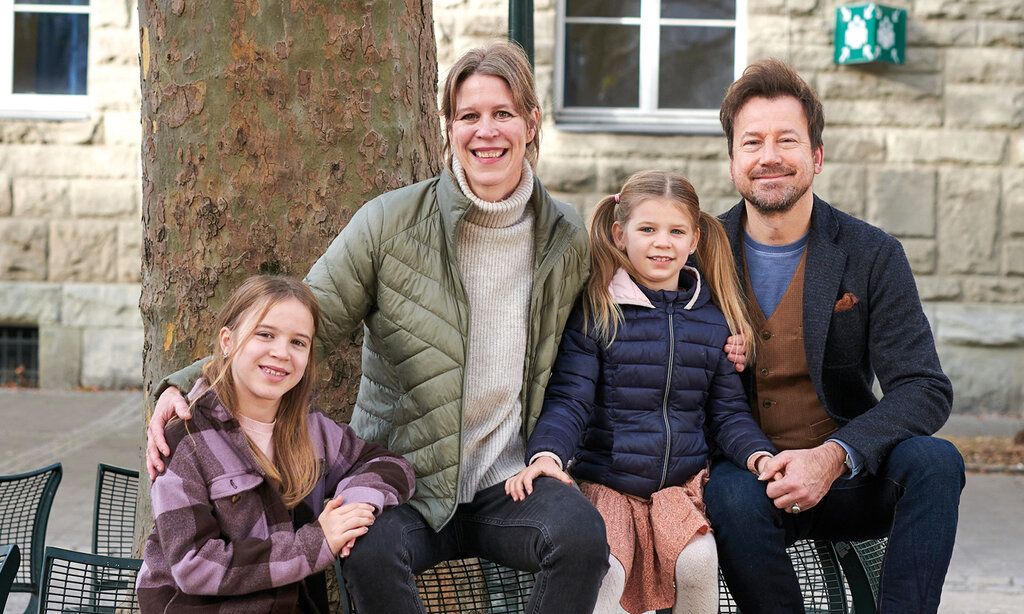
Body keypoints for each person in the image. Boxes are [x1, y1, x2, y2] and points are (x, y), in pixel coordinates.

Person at [144, 42, 612, 613]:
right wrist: (182, 382)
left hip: (509, 482)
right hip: (404, 480)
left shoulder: (565, 236)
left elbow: (589, 350)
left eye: (503, 114)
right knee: (363, 549)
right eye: (469, 116)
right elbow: (306, 314)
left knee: (583, 537)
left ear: (531, 123)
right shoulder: (389, 223)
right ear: (448, 128)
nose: (485, 132)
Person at [702, 58, 965, 614]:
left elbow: (924, 387)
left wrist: (835, 456)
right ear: (732, 162)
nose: (769, 156)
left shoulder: (872, 254)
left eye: (787, 140)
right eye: (752, 142)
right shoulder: (698, 254)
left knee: (936, 462)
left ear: (816, 157)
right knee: (727, 493)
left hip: (850, 474)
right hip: (750, 480)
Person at [505, 170, 777, 614]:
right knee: (604, 570)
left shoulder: (712, 321)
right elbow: (570, 399)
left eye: (676, 231)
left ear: (694, 240)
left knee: (697, 562)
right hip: (609, 483)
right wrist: (548, 456)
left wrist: (759, 456)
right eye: (647, 229)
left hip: (680, 488)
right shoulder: (600, 312)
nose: (661, 243)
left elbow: (728, 414)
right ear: (620, 234)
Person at [136, 275, 415, 613]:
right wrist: (316, 542)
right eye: (265, 334)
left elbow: (390, 466)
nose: (281, 353)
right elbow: (194, 565)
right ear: (228, 340)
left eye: (298, 342)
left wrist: (353, 508)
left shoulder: (310, 429)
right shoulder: (186, 438)